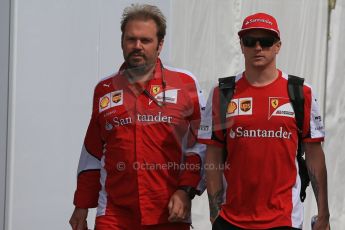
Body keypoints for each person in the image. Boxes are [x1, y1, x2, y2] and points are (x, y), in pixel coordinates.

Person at [69, 4, 206, 230]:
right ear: (122, 42)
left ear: (160, 44)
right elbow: (93, 152)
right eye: (131, 39)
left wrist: (186, 190)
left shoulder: (185, 83)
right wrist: (82, 205)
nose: (137, 46)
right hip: (114, 214)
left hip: (169, 212)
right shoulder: (104, 89)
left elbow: (199, 145)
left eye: (146, 40)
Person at [198, 13, 330, 230]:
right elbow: (213, 155)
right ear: (241, 46)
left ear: (278, 46)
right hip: (232, 220)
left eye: (266, 42)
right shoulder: (222, 93)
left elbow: (314, 155)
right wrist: (215, 213)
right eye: (250, 41)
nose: (258, 47)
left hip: (284, 220)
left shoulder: (301, 92)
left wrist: (323, 212)